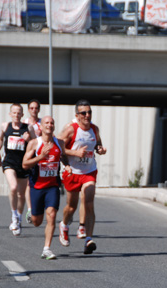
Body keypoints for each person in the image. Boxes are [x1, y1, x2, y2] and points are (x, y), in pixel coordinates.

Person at [57, 100, 107, 254]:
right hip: (72, 172)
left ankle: (88, 239)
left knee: (89, 201)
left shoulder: (95, 129)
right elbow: (58, 148)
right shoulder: (70, 130)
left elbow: (97, 144)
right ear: (77, 115)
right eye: (84, 113)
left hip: (89, 171)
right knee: (71, 207)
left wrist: (100, 149)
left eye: (89, 112)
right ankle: (64, 225)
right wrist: (74, 153)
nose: (87, 115)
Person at [22, 116, 71, 260]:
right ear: (41, 127)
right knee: (37, 222)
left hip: (52, 186)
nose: (49, 125)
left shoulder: (59, 143)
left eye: (51, 123)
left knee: (52, 215)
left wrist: (67, 165)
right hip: (37, 186)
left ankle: (47, 248)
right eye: (46, 123)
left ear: (54, 127)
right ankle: (32, 213)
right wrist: (41, 157)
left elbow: (63, 157)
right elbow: (25, 164)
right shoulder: (34, 144)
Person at [0, 103, 33, 236]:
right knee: (13, 187)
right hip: (9, 162)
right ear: (10, 114)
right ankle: (13, 215)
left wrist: (29, 139)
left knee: (21, 195)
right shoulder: (5, 126)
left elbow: (35, 143)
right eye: (14, 112)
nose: (16, 115)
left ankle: (19, 219)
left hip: (23, 164)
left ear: (22, 115)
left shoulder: (28, 128)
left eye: (19, 113)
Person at [24, 99, 42, 224]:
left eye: (36, 108)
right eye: (31, 108)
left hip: (40, 157)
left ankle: (38, 207)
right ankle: (30, 209)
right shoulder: (24, 123)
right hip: (26, 155)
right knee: (27, 184)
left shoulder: (43, 123)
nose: (34, 110)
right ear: (28, 109)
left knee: (38, 182)